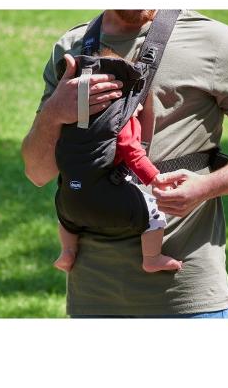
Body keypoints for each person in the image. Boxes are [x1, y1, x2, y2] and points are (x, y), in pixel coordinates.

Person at [21, 9, 228, 318]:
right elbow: (37, 171)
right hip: (92, 296)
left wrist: (207, 186)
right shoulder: (73, 46)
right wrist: (54, 112)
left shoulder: (212, 40)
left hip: (185, 295)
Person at [53, 47, 181, 273]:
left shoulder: (70, 118)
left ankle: (67, 252)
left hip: (68, 202)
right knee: (154, 211)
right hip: (106, 199)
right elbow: (132, 152)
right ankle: (152, 258)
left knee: (66, 217)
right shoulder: (120, 123)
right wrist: (155, 179)